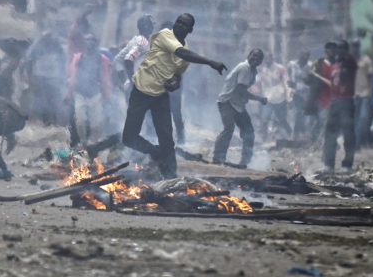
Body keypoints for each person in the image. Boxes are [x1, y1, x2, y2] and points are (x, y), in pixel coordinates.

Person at [122, 13, 226, 178]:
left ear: (190, 29)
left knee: (167, 140)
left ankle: (171, 177)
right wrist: (211, 62)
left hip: (161, 95)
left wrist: (174, 83)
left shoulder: (184, 48)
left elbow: (177, 76)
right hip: (141, 91)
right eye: (178, 22)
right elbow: (183, 54)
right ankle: (156, 154)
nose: (180, 26)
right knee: (128, 138)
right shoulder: (164, 35)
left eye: (184, 25)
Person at [212, 49, 269, 167]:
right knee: (229, 128)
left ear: (261, 62)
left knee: (249, 131)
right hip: (227, 102)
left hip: (237, 104)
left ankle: (245, 162)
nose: (255, 59)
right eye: (254, 56)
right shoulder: (244, 68)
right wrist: (259, 99)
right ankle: (217, 158)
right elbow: (240, 89)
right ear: (249, 55)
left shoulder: (253, 71)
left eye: (259, 58)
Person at [65, 34, 113, 143]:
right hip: (79, 93)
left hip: (95, 94)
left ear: (96, 44)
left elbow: (105, 79)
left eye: (92, 41)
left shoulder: (102, 59)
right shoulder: (78, 58)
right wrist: (68, 94)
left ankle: (93, 143)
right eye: (87, 41)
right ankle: (83, 142)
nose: (89, 43)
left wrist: (107, 96)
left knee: (95, 123)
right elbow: (73, 77)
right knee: (80, 121)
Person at [322, 40, 357, 173]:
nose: (340, 51)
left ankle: (347, 165)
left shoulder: (350, 62)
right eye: (338, 48)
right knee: (330, 133)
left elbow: (348, 64)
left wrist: (344, 58)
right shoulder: (334, 66)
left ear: (346, 50)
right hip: (335, 102)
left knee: (348, 133)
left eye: (343, 48)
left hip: (347, 101)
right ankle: (329, 164)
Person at [22, 31, 65, 125]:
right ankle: (38, 120)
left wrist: (61, 76)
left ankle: (50, 121)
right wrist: (29, 76)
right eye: (46, 37)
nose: (48, 40)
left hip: (53, 77)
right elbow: (29, 61)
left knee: (52, 100)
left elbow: (62, 61)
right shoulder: (37, 47)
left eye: (49, 37)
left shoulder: (57, 46)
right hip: (39, 76)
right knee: (39, 100)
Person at [304, 42, 338, 144]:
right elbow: (307, 79)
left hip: (333, 98)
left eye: (333, 49)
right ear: (326, 51)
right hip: (319, 98)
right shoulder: (318, 63)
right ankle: (316, 142)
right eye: (329, 49)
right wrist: (310, 76)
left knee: (327, 122)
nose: (331, 51)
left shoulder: (339, 64)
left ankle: (325, 143)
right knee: (317, 122)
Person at [253, 51, 290, 139]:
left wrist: (289, 98)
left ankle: (289, 133)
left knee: (281, 119)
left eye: (268, 58)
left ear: (272, 58)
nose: (266, 60)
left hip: (280, 99)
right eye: (265, 59)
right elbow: (257, 83)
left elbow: (287, 83)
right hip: (268, 99)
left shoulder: (280, 68)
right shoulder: (261, 70)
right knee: (264, 119)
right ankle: (264, 138)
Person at [353, 41, 373, 150]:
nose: (355, 48)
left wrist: (371, 90)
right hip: (353, 94)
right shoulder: (349, 60)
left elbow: (371, 76)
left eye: (357, 46)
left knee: (363, 118)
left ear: (359, 47)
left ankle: (360, 141)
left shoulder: (366, 60)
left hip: (365, 93)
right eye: (353, 46)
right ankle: (356, 144)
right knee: (355, 119)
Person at [287, 51, 311, 140]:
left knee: (302, 114)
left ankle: (296, 133)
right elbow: (289, 78)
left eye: (306, 58)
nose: (304, 60)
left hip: (306, 93)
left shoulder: (310, 66)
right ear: (299, 57)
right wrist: (289, 94)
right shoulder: (292, 65)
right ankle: (301, 133)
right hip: (296, 92)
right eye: (303, 58)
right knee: (298, 112)